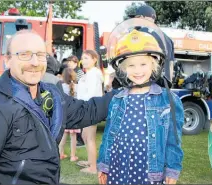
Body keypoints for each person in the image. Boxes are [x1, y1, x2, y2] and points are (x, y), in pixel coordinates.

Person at [0, 30, 118, 184]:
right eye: (25, 55)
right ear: (8, 60)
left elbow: (87, 111)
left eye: (40, 55)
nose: (35, 62)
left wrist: (126, 90)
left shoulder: (51, 95)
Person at [97, 19, 184, 184]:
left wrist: (172, 170)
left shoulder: (168, 100)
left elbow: (174, 140)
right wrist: (104, 165)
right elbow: (108, 136)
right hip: (118, 168)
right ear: (122, 69)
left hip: (149, 172)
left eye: (143, 64)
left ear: (154, 64)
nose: (137, 71)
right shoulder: (118, 99)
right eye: (131, 66)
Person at [76, 50, 104, 174]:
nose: (84, 61)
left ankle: (93, 167)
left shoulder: (93, 74)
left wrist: (82, 106)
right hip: (88, 107)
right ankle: (90, 161)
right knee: (85, 136)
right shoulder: (89, 73)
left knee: (90, 137)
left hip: (90, 107)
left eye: (87, 58)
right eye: (83, 58)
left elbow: (91, 93)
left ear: (94, 60)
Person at [59, 67, 80, 162]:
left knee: (63, 135)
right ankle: (73, 156)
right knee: (73, 136)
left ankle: (60, 154)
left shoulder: (61, 87)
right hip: (74, 114)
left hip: (64, 114)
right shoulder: (77, 86)